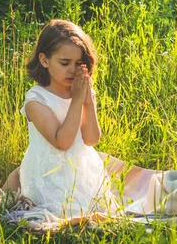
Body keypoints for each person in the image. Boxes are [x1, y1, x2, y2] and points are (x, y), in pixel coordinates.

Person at [10, 19, 117, 218]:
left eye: (78, 64)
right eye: (64, 63)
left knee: (97, 210)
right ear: (44, 60)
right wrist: (77, 101)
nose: (71, 70)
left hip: (82, 168)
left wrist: (87, 101)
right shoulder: (36, 100)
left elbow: (92, 139)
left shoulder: (82, 92)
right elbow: (63, 142)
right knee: (64, 212)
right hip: (47, 173)